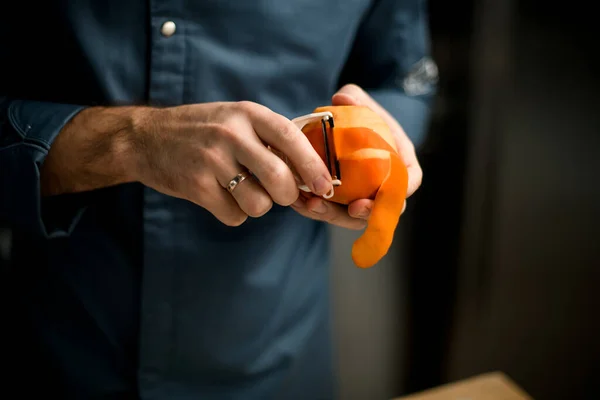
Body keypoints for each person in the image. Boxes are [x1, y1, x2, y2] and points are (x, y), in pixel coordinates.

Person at [0, 0, 437, 398]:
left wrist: (373, 150)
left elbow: (403, 80)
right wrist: (130, 140)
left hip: (278, 360)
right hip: (60, 352)